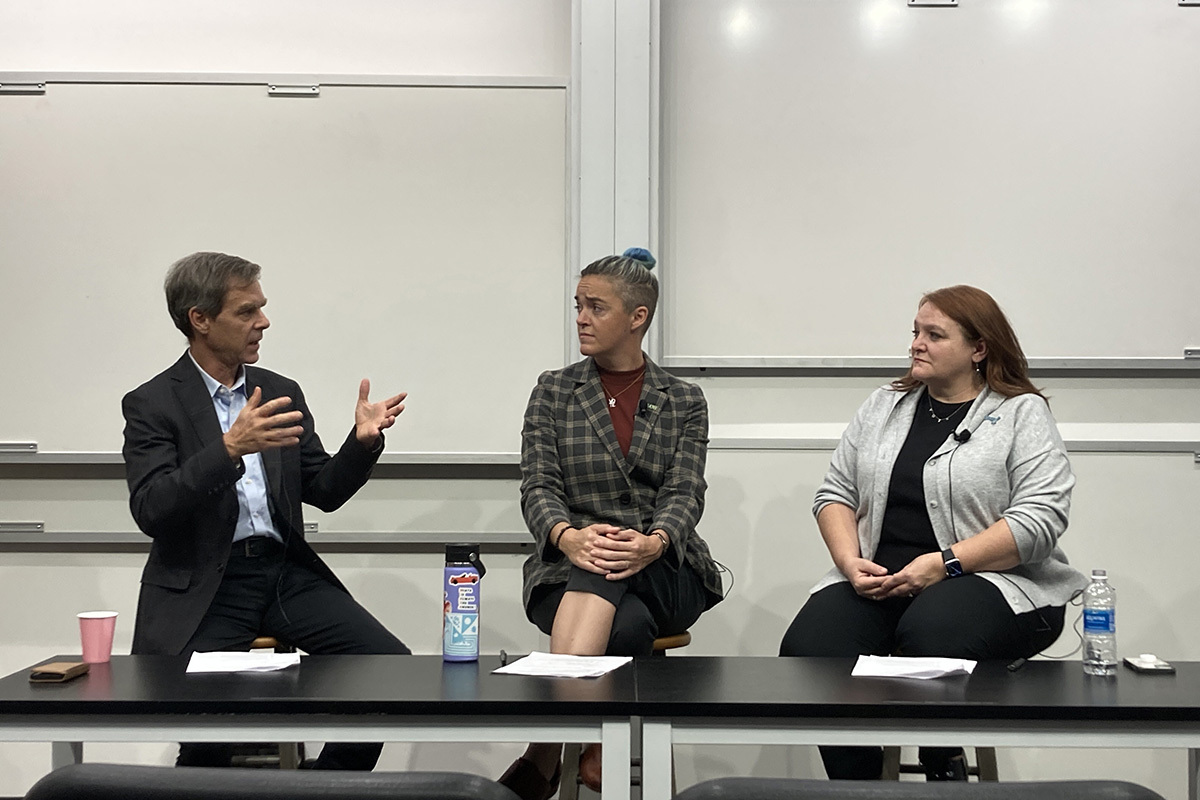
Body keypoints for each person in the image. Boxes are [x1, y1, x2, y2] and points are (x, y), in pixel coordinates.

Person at [779, 285, 1085, 781]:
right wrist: (847, 561)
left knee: (931, 630)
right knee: (810, 647)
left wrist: (944, 562)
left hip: (989, 582)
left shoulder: (1020, 412)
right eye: (915, 332)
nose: (916, 343)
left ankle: (939, 755)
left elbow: (1040, 520)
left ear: (978, 349)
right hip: (882, 579)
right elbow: (834, 492)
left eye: (934, 335)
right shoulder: (885, 405)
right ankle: (859, 786)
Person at [121, 251, 411, 769]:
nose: (264, 321)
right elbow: (151, 507)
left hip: (282, 572)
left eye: (263, 308)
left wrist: (362, 442)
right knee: (209, 729)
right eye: (246, 311)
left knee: (388, 671)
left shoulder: (278, 391)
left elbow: (322, 488)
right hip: (206, 583)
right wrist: (228, 450)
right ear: (200, 319)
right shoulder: (152, 403)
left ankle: (317, 789)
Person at [499, 249, 725, 800]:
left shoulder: (684, 400)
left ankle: (546, 751)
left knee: (609, 562)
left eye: (595, 307)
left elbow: (685, 488)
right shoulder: (554, 390)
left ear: (637, 317)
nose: (580, 317)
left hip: (665, 567)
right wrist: (568, 537)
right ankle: (598, 755)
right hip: (567, 569)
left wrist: (652, 542)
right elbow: (539, 486)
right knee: (622, 624)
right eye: (578, 305)